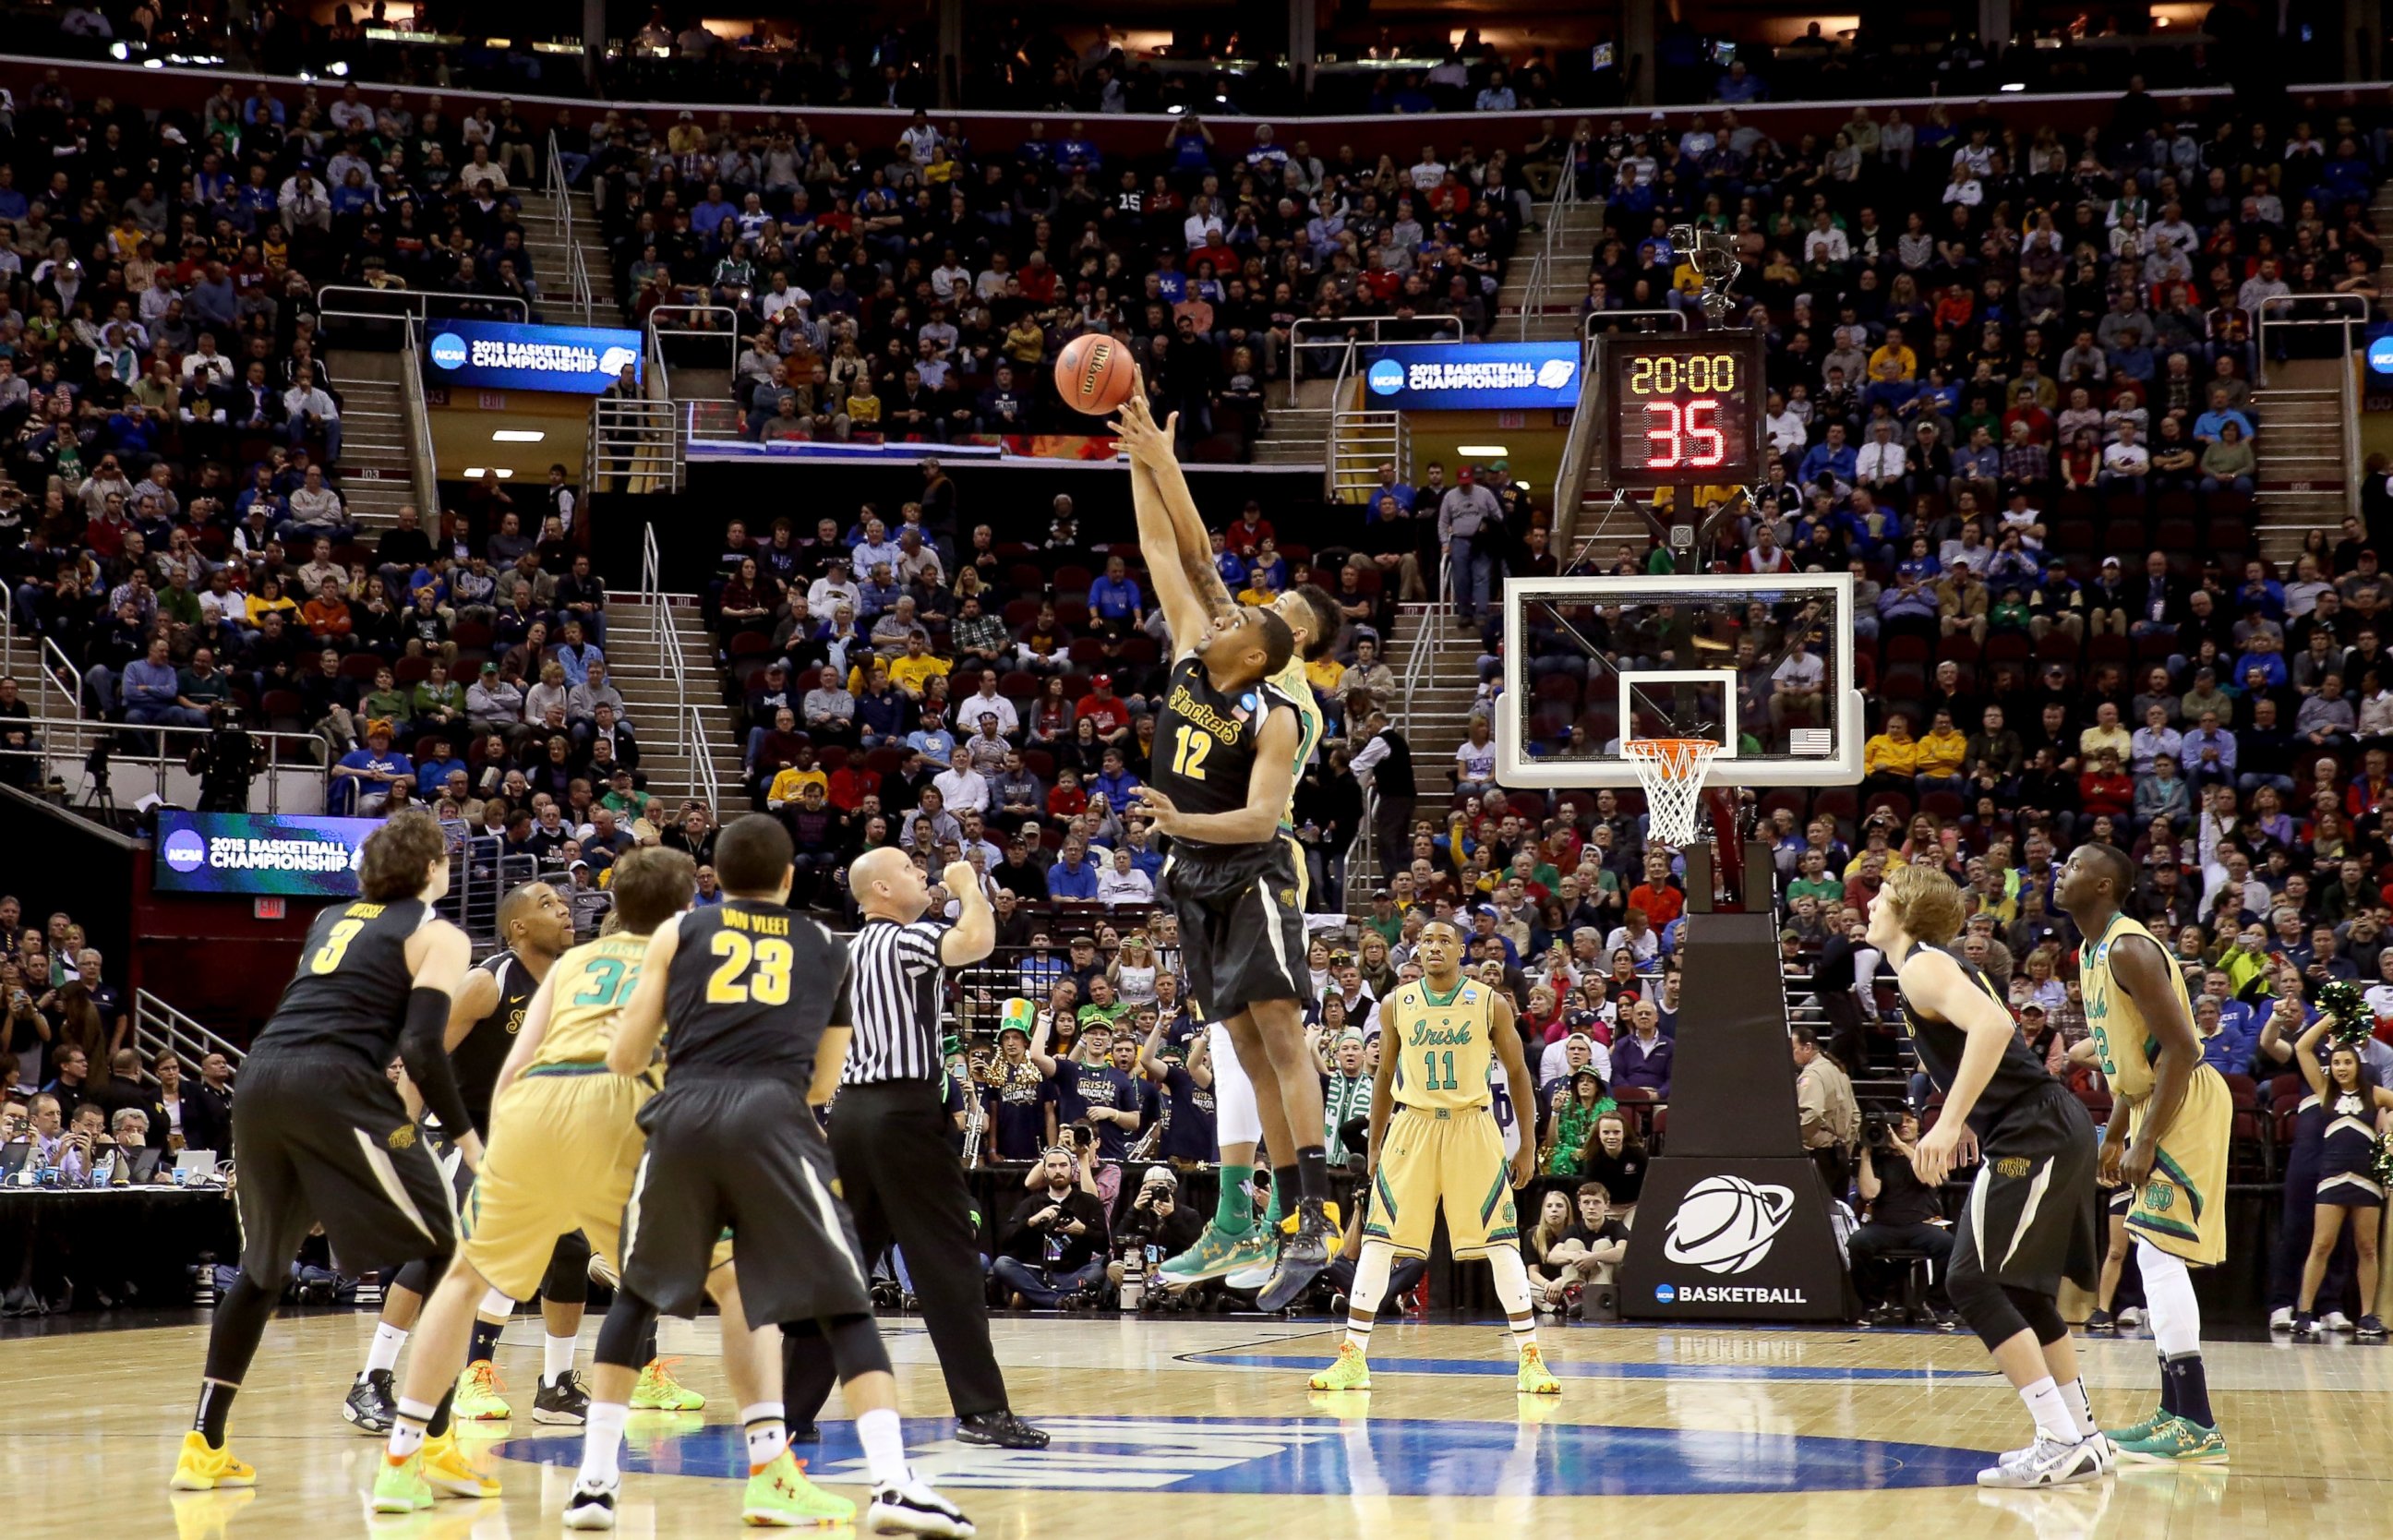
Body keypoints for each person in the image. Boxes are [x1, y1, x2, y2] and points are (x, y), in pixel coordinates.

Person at [563, 815, 969, 1534]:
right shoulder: (822, 944)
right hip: (776, 1117)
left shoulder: (676, 934)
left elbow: (625, 1058)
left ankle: (595, 1484)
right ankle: (892, 1483)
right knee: (843, 1300)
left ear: (715, 878)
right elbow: (825, 1081)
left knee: (637, 1293)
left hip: (683, 1116)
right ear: (788, 879)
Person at [366, 850, 750, 1517]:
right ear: (686, 908)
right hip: (621, 1107)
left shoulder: (571, 965)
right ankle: (761, 1463)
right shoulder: (686, 956)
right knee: (727, 1281)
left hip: (529, 1110)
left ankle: (402, 1460)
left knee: (463, 1279)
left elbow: (516, 1067)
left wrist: (498, 1148)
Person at [171, 812, 487, 1499]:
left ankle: (203, 1446)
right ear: (434, 865)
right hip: (335, 1082)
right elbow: (424, 1047)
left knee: (261, 1271)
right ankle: (432, 1440)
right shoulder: (437, 933)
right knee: (447, 1251)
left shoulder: (328, 919)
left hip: (261, 1078)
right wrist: (468, 1140)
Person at [1113, 385, 1329, 1310]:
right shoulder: (1201, 653)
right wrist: (1144, 456)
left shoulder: (1285, 707)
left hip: (1253, 859)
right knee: (1238, 1048)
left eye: (1268, 608)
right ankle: (1259, 1213)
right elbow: (1177, 551)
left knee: (1276, 1039)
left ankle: (1308, 1217)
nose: (1243, 603)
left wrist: (1173, 817)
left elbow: (1259, 818)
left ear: (1287, 643)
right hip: (1194, 865)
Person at [783, 847, 1048, 1450]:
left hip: (849, 1116)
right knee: (949, 1261)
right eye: (908, 868)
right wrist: (967, 884)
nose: (921, 873)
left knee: (840, 1265)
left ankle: (790, 1410)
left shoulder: (841, 953)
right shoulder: (903, 940)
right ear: (878, 888)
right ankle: (981, 1410)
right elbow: (976, 941)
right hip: (902, 1113)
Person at [1867, 862, 2108, 1488]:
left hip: (2038, 1130)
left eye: (1882, 897)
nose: (1870, 904)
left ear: (1907, 912)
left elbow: (1998, 1028)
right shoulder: (1926, 967)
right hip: (2038, 1125)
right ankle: (2083, 1436)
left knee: (1970, 1281)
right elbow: (1990, 1046)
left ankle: (2057, 1438)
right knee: (2023, 1290)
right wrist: (1972, 1112)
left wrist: (1948, 1123)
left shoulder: (1923, 964)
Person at [345, 883, 608, 1434]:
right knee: (447, 1251)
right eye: (547, 905)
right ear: (517, 927)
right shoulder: (488, 982)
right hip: (467, 1137)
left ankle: (556, 1388)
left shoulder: (575, 981)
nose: (563, 910)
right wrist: (401, 1136)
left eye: (564, 903)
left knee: (569, 1253)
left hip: (539, 1143)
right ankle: (371, 1380)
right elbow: (423, 1053)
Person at [1307, 919, 1557, 1394]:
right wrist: (1375, 1142)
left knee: (1502, 1242)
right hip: (1412, 1126)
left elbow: (1520, 1072)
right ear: (1416, 951)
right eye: (1427, 940)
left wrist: (1526, 1143)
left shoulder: (1489, 1003)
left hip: (1473, 1125)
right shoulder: (1395, 1003)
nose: (1435, 947)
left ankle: (1530, 1357)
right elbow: (1382, 1077)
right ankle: (1352, 1357)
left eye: (1445, 940)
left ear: (1462, 950)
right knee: (1380, 1240)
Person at [2054, 841, 2232, 1462]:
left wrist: (2148, 1136)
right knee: (2151, 1256)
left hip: (2185, 1102)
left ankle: (2197, 1421)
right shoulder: (2089, 950)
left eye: (2075, 866)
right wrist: (2116, 1130)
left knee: (2158, 1253)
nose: (2061, 873)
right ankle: (2176, 1412)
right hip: (2154, 1100)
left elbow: (2181, 1049)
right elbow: (2130, 1058)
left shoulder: (2129, 947)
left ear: (2104, 887)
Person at [2289, 1015, 2392, 1338]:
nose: (2342, 1068)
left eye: (2348, 1062)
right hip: (2332, 1178)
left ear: (2358, 1065)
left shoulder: (2374, 1094)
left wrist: (2388, 1139)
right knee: (2321, 1245)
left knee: (2367, 1248)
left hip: (2367, 1180)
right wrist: (2329, 1020)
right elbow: (2303, 1047)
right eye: (2336, 1062)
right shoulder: (2325, 1092)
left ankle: (2367, 1316)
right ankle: (2304, 1312)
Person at [1845, 1108, 1954, 1322]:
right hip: (1885, 1226)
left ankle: (1938, 1305)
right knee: (1857, 1243)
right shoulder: (1881, 1160)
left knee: (1947, 1244)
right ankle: (1872, 1304)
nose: (1904, 1125)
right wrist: (1866, 1155)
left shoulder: (1928, 1153)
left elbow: (1935, 1177)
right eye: (1898, 1122)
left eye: (1909, 1120)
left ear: (1919, 1126)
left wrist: (1902, 1146)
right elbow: (1869, 1193)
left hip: (1922, 1225)